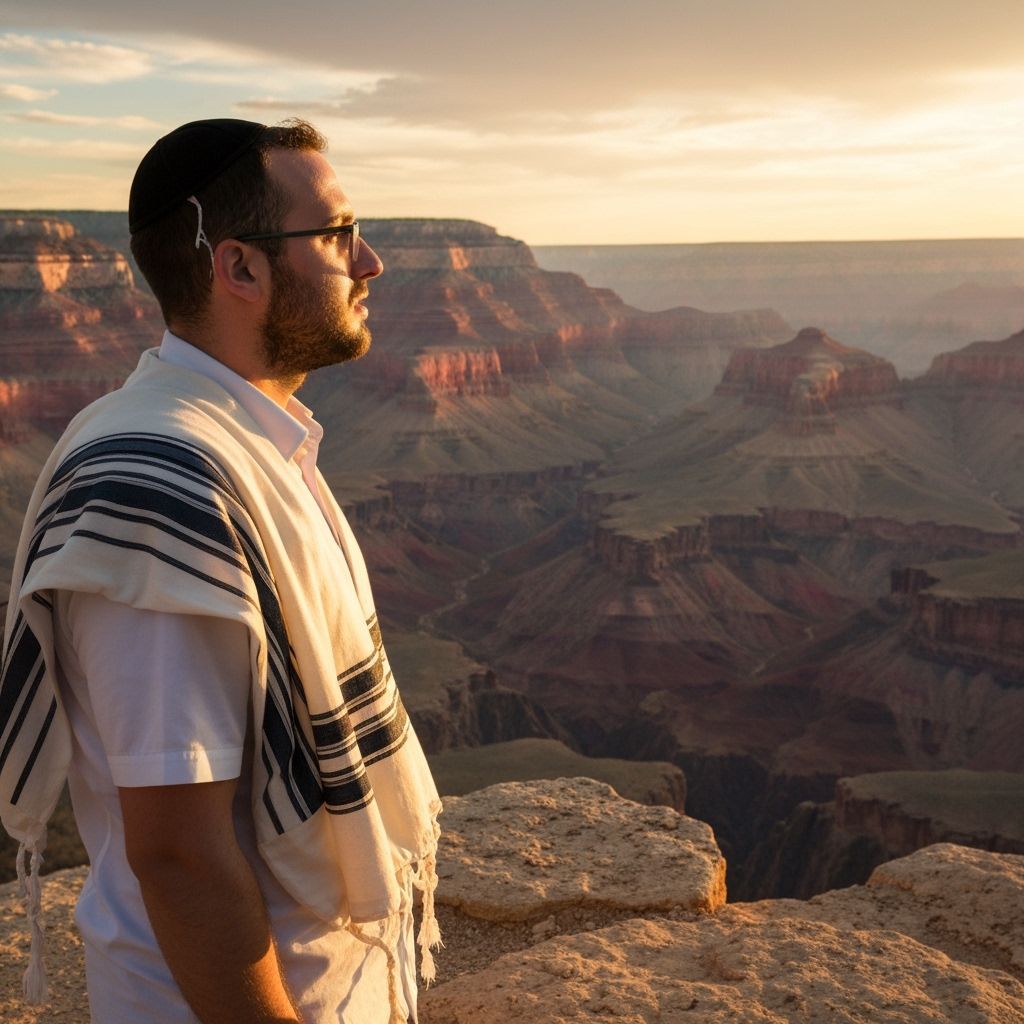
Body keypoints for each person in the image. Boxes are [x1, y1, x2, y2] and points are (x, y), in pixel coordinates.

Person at [0, 118, 442, 1024]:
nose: (371, 264)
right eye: (336, 235)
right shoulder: (156, 489)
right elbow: (179, 853)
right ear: (238, 268)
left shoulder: (244, 440)